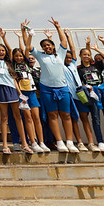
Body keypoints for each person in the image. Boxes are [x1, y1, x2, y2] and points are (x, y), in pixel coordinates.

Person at [31, 18, 80, 153]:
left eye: (49, 45)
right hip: (47, 89)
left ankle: (69, 142)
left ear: (53, 46)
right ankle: (59, 142)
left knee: (66, 115)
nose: (47, 47)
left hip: (62, 88)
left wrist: (58, 27)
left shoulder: (60, 54)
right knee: (52, 115)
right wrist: (27, 33)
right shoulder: (40, 56)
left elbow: (63, 42)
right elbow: (28, 46)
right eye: (44, 46)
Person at [0, 20, 33, 154]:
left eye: (3, 50)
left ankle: (24, 143)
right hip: (2, 90)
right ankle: (5, 145)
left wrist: (4, 37)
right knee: (4, 118)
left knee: (18, 116)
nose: (1, 52)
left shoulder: (9, 62)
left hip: (12, 90)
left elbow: (10, 50)